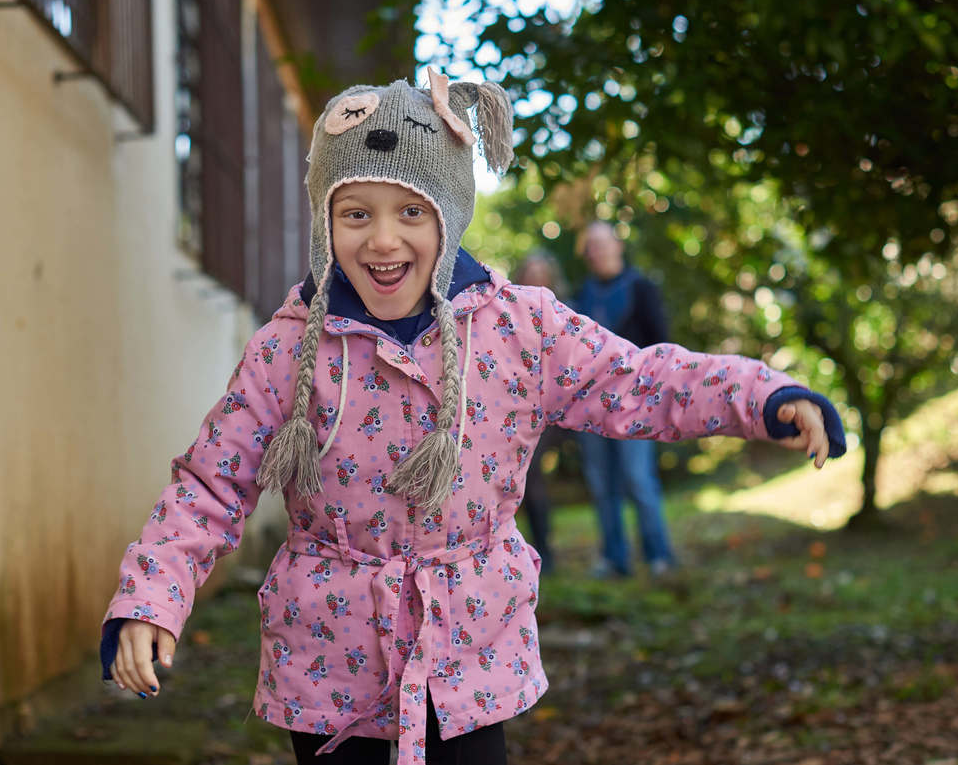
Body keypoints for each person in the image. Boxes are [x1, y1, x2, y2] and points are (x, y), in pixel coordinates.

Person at [99, 70, 846, 765]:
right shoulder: (289, 348)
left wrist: (762, 397)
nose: (383, 240)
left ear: (450, 216)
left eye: (411, 213)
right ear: (327, 224)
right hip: (327, 663)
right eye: (355, 213)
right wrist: (150, 599)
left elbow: (641, 380)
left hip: (470, 657)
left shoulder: (519, 329)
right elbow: (209, 483)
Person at [572, 221, 678, 578]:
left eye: (603, 244)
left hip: (636, 402)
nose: (598, 251)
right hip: (590, 406)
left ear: (618, 246)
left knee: (638, 478)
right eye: (591, 247)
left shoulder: (642, 288)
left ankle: (658, 555)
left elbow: (661, 344)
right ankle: (614, 558)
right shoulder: (581, 296)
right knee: (603, 485)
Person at [510, 249, 569, 574]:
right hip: (520, 405)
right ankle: (530, 548)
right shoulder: (509, 312)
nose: (534, 277)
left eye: (540, 271)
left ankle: (544, 548)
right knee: (525, 478)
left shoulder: (561, 311)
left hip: (552, 410)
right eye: (529, 271)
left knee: (531, 477)